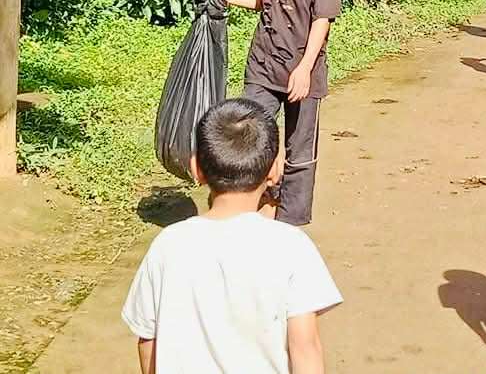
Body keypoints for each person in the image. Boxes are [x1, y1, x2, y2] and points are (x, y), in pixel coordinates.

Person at [122, 98, 342, 374]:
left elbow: (148, 339)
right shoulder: (291, 246)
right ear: (275, 169)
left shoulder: (169, 245)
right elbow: (305, 347)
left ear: (196, 168)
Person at [212, 0, 342, 227]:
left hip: (303, 70)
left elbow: (322, 19)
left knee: (299, 151)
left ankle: (291, 223)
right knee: (250, 137)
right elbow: (261, 1)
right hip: (263, 65)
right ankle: (250, 209)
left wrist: (304, 69)